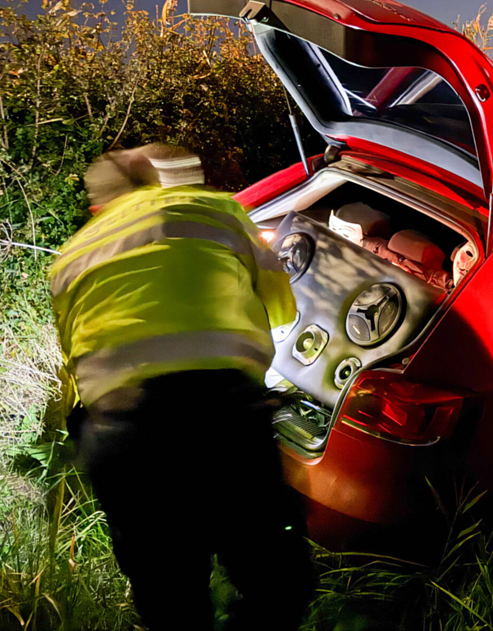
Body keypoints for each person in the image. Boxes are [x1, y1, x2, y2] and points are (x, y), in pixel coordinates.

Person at [49, 144, 312, 631]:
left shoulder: (68, 259)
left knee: (170, 602)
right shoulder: (212, 210)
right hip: (223, 423)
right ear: (157, 182)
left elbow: (75, 358)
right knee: (276, 583)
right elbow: (282, 306)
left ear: (96, 207)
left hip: (122, 441)